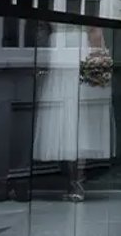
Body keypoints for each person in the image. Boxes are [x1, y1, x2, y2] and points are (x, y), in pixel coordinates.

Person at [31, 21, 113, 202]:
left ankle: (76, 179)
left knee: (78, 124)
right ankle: (72, 179)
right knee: (63, 124)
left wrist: (98, 67)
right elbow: (41, 31)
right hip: (58, 64)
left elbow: (96, 31)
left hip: (77, 59)